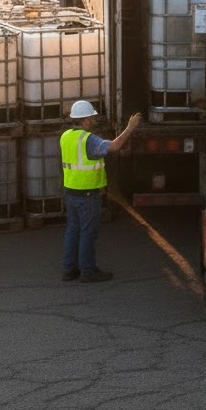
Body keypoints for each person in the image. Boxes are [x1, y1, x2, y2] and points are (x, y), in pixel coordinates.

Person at [61, 100, 141, 283]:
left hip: (71, 191)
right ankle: (87, 271)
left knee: (73, 230)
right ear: (86, 120)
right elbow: (114, 146)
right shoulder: (88, 140)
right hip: (87, 193)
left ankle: (69, 269)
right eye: (92, 117)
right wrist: (130, 128)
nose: (94, 120)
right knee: (88, 232)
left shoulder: (65, 136)